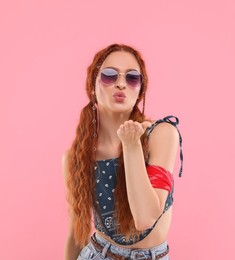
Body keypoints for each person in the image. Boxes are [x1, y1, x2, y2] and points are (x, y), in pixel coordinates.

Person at [62, 43, 183, 260]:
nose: (120, 84)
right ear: (92, 85)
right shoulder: (77, 156)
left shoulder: (161, 134)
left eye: (132, 77)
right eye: (109, 75)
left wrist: (131, 145)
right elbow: (76, 233)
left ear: (140, 90)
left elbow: (145, 217)